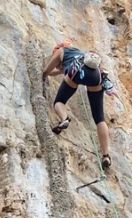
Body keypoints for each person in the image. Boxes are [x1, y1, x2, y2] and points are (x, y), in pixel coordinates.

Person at [42, 39, 115, 171]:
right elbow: (59, 71)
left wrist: (42, 74)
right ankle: (106, 155)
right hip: (95, 76)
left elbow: (47, 71)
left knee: (59, 102)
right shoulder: (80, 55)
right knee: (99, 118)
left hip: (74, 74)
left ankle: (64, 119)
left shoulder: (61, 51)